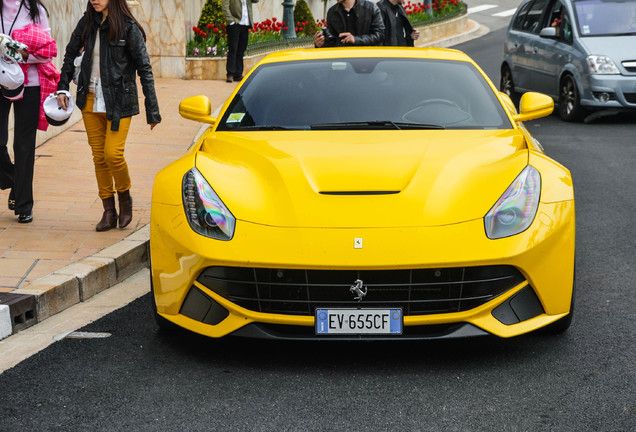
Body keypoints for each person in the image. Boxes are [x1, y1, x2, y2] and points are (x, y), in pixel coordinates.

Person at [56, 0, 161, 231]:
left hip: (118, 102)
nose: (95, 0)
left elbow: (144, 68)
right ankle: (108, 210)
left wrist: (152, 109)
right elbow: (69, 53)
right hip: (90, 100)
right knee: (99, 157)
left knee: (112, 154)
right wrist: (62, 86)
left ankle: (125, 198)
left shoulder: (128, 27)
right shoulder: (87, 23)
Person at [0, 0, 53, 224]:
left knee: (23, 145)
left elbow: (48, 52)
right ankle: (15, 180)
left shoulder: (36, 10)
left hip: (29, 84)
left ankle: (24, 204)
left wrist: (16, 54)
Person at [313, 0, 384, 48]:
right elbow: (332, 41)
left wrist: (355, 39)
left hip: (366, 61)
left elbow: (380, 35)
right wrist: (320, 44)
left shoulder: (371, 8)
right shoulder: (332, 12)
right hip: (342, 62)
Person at [222, 0, 260, 83]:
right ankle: (230, 74)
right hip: (235, 23)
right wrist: (230, 21)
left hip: (245, 24)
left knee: (241, 50)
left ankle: (238, 74)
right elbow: (224, 6)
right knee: (233, 49)